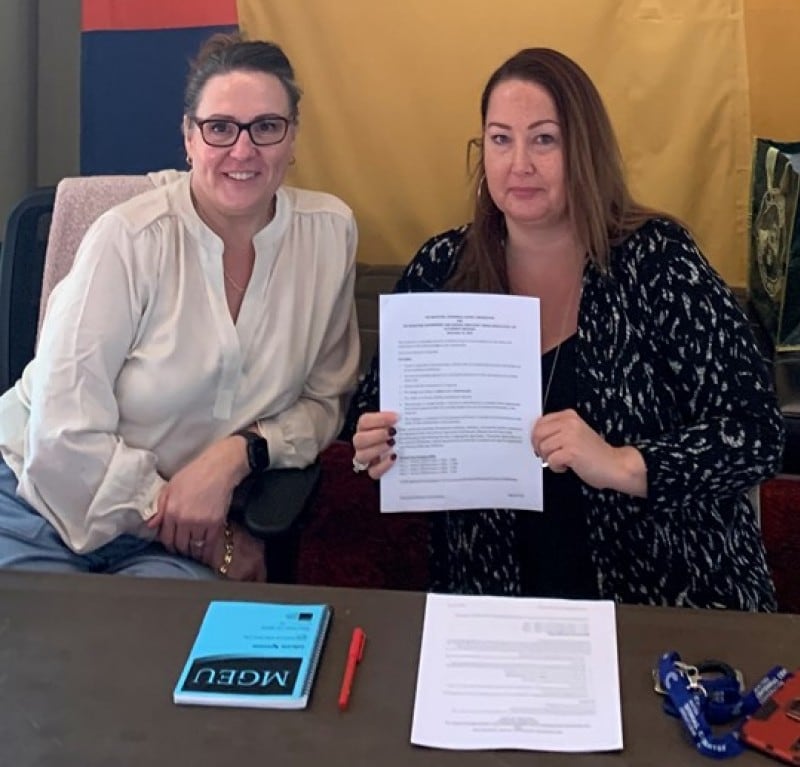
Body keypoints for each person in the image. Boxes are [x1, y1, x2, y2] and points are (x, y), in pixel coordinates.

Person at [346, 47, 784, 610]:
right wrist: (372, 445)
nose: (519, 163)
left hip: (666, 603)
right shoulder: (440, 267)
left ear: (585, 150)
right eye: (500, 139)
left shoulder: (659, 261)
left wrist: (623, 464)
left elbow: (756, 435)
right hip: (493, 602)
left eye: (544, 139)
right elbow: (376, 412)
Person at [0, 33, 359, 581]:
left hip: (168, 544)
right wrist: (207, 536)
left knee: (178, 635)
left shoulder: (328, 234)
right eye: (220, 128)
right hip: (35, 501)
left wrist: (241, 452)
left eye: (266, 127)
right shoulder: (127, 239)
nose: (243, 150)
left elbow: (324, 400)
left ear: (292, 138)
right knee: (38, 637)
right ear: (189, 137)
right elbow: (62, 436)